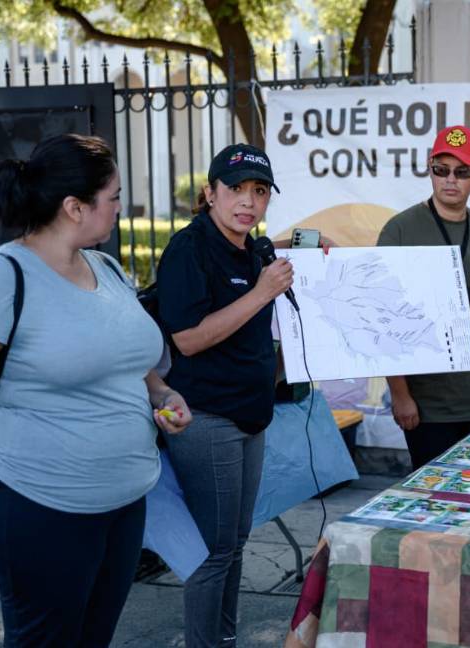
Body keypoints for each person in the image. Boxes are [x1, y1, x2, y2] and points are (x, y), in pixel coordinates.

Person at [0, 133, 190, 646]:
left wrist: (163, 395)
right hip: (34, 504)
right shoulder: (1, 277)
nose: (120, 207)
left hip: (123, 502)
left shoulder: (107, 268)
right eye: (114, 196)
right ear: (75, 207)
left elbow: (130, 362)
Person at [155, 143, 294, 648]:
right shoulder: (189, 249)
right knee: (212, 551)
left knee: (234, 544)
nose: (248, 202)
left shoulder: (251, 248)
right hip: (206, 417)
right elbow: (187, 338)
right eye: (235, 189)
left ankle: (224, 640)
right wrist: (261, 292)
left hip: (250, 416)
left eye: (259, 191)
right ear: (209, 193)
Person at [377, 125, 470, 469]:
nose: (450, 180)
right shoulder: (399, 230)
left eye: (461, 172)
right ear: (430, 169)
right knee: (431, 507)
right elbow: (381, 315)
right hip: (426, 405)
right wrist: (400, 394)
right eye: (440, 170)